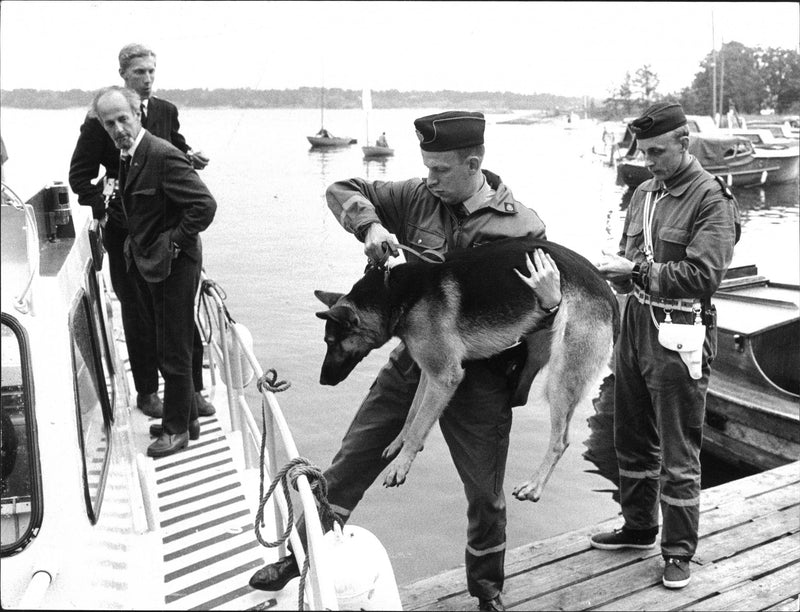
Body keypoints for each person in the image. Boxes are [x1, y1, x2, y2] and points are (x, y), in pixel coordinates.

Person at [250, 111, 561, 611]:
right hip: (412, 361)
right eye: (426, 167)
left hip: (480, 376)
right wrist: (369, 225)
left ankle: (487, 592)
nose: (429, 178)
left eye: (440, 170)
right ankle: (301, 554)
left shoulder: (523, 226)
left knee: (485, 491)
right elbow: (342, 187)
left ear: (473, 163)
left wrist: (549, 306)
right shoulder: (414, 196)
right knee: (353, 458)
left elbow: (542, 313)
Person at [592, 102, 739, 589]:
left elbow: (703, 275)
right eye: (643, 151)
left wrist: (633, 271)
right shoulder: (643, 193)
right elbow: (630, 256)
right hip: (634, 324)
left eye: (657, 151)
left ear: (685, 143)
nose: (648, 160)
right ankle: (639, 527)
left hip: (680, 331)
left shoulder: (710, 199)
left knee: (679, 449)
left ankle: (678, 552)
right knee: (629, 432)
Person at [69, 43, 214, 421]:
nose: (147, 79)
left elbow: (174, 151)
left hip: (166, 231)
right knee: (138, 314)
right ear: (124, 77)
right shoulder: (102, 119)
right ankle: (148, 391)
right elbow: (78, 175)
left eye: (151, 71)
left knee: (181, 312)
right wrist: (105, 208)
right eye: (139, 73)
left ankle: (191, 391)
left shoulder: (165, 111)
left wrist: (190, 156)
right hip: (126, 233)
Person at [92, 86, 216, 457]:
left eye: (123, 119)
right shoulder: (127, 156)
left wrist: (173, 243)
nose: (118, 128)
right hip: (150, 262)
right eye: (109, 122)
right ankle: (187, 417)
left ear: (137, 115)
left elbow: (204, 205)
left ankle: (177, 431)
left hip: (174, 265)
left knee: (172, 349)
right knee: (167, 341)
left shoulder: (161, 154)